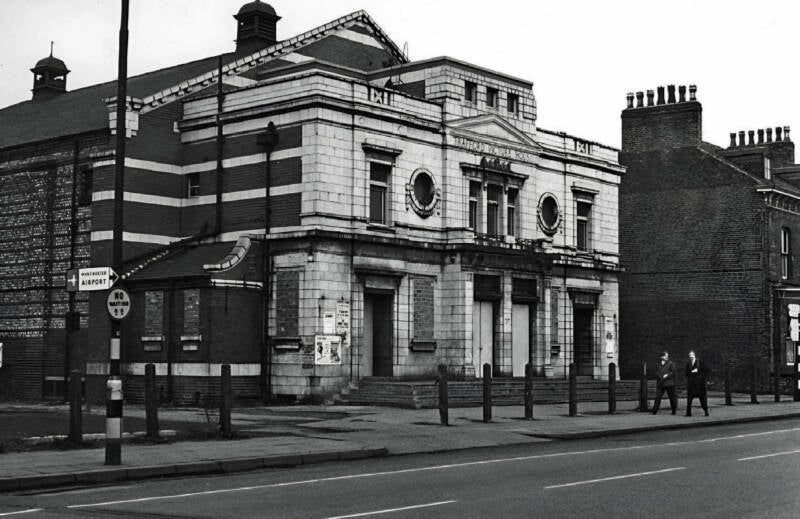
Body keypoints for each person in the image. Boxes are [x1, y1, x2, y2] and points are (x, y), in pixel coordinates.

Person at [685, 350, 710, 416]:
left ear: (694, 355)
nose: (690, 356)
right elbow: (686, 373)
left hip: (700, 384)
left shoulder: (700, 362)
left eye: (692, 355)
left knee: (702, 399)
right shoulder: (688, 364)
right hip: (691, 384)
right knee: (689, 399)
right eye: (689, 355)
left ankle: (706, 411)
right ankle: (688, 413)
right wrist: (691, 373)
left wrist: (699, 372)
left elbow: (707, 370)